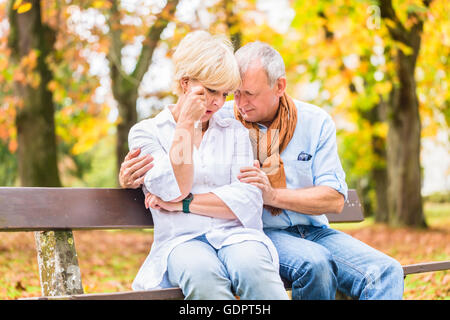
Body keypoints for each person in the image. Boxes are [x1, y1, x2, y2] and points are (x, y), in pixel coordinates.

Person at [122, 40, 404, 300]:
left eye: (246, 94)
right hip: (259, 233)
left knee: (386, 271)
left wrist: (269, 195)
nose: (236, 104)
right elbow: (167, 178)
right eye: (235, 93)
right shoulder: (224, 117)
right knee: (311, 263)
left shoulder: (312, 122)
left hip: (310, 230)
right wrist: (134, 174)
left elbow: (329, 199)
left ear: (280, 87)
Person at [127, 31, 288, 300]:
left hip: (235, 235)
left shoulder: (234, 131)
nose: (217, 102)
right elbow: (172, 189)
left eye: (224, 94)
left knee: (254, 269)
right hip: (181, 240)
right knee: (203, 276)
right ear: (184, 83)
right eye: (211, 90)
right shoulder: (147, 133)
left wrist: (184, 205)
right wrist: (185, 127)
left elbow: (248, 199)